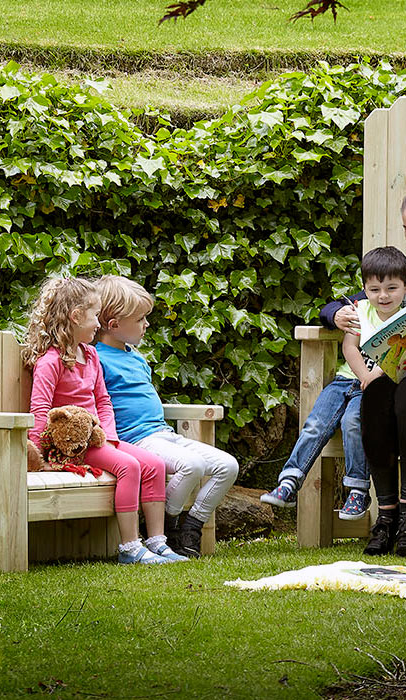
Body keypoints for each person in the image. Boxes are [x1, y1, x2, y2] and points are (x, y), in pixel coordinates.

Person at [23, 277, 187, 565]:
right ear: (75, 317)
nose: (99, 323)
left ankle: (157, 542)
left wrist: (109, 435)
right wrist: (38, 454)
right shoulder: (51, 361)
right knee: (129, 466)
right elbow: (40, 408)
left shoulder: (90, 355)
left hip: (99, 438)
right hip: (70, 445)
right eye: (95, 315)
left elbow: (103, 401)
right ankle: (129, 547)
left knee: (155, 465)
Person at [93, 275, 238, 558]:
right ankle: (165, 530)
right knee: (192, 465)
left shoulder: (136, 357)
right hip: (136, 440)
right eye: (140, 319)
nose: (147, 324)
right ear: (114, 325)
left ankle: (190, 528)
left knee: (227, 465)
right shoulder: (97, 359)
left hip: (164, 435)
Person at [261, 248, 406, 521]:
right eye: (374, 289)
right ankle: (289, 481)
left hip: (377, 390)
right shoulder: (359, 310)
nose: (383, 296)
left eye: (391, 288)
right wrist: (364, 377)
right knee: (316, 422)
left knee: (354, 422)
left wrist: (375, 382)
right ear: (364, 288)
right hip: (346, 380)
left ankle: (357, 491)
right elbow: (349, 347)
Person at [320, 200, 406, 556]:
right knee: (375, 399)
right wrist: (336, 313)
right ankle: (388, 517)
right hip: (389, 376)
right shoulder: (397, 274)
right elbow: (343, 303)